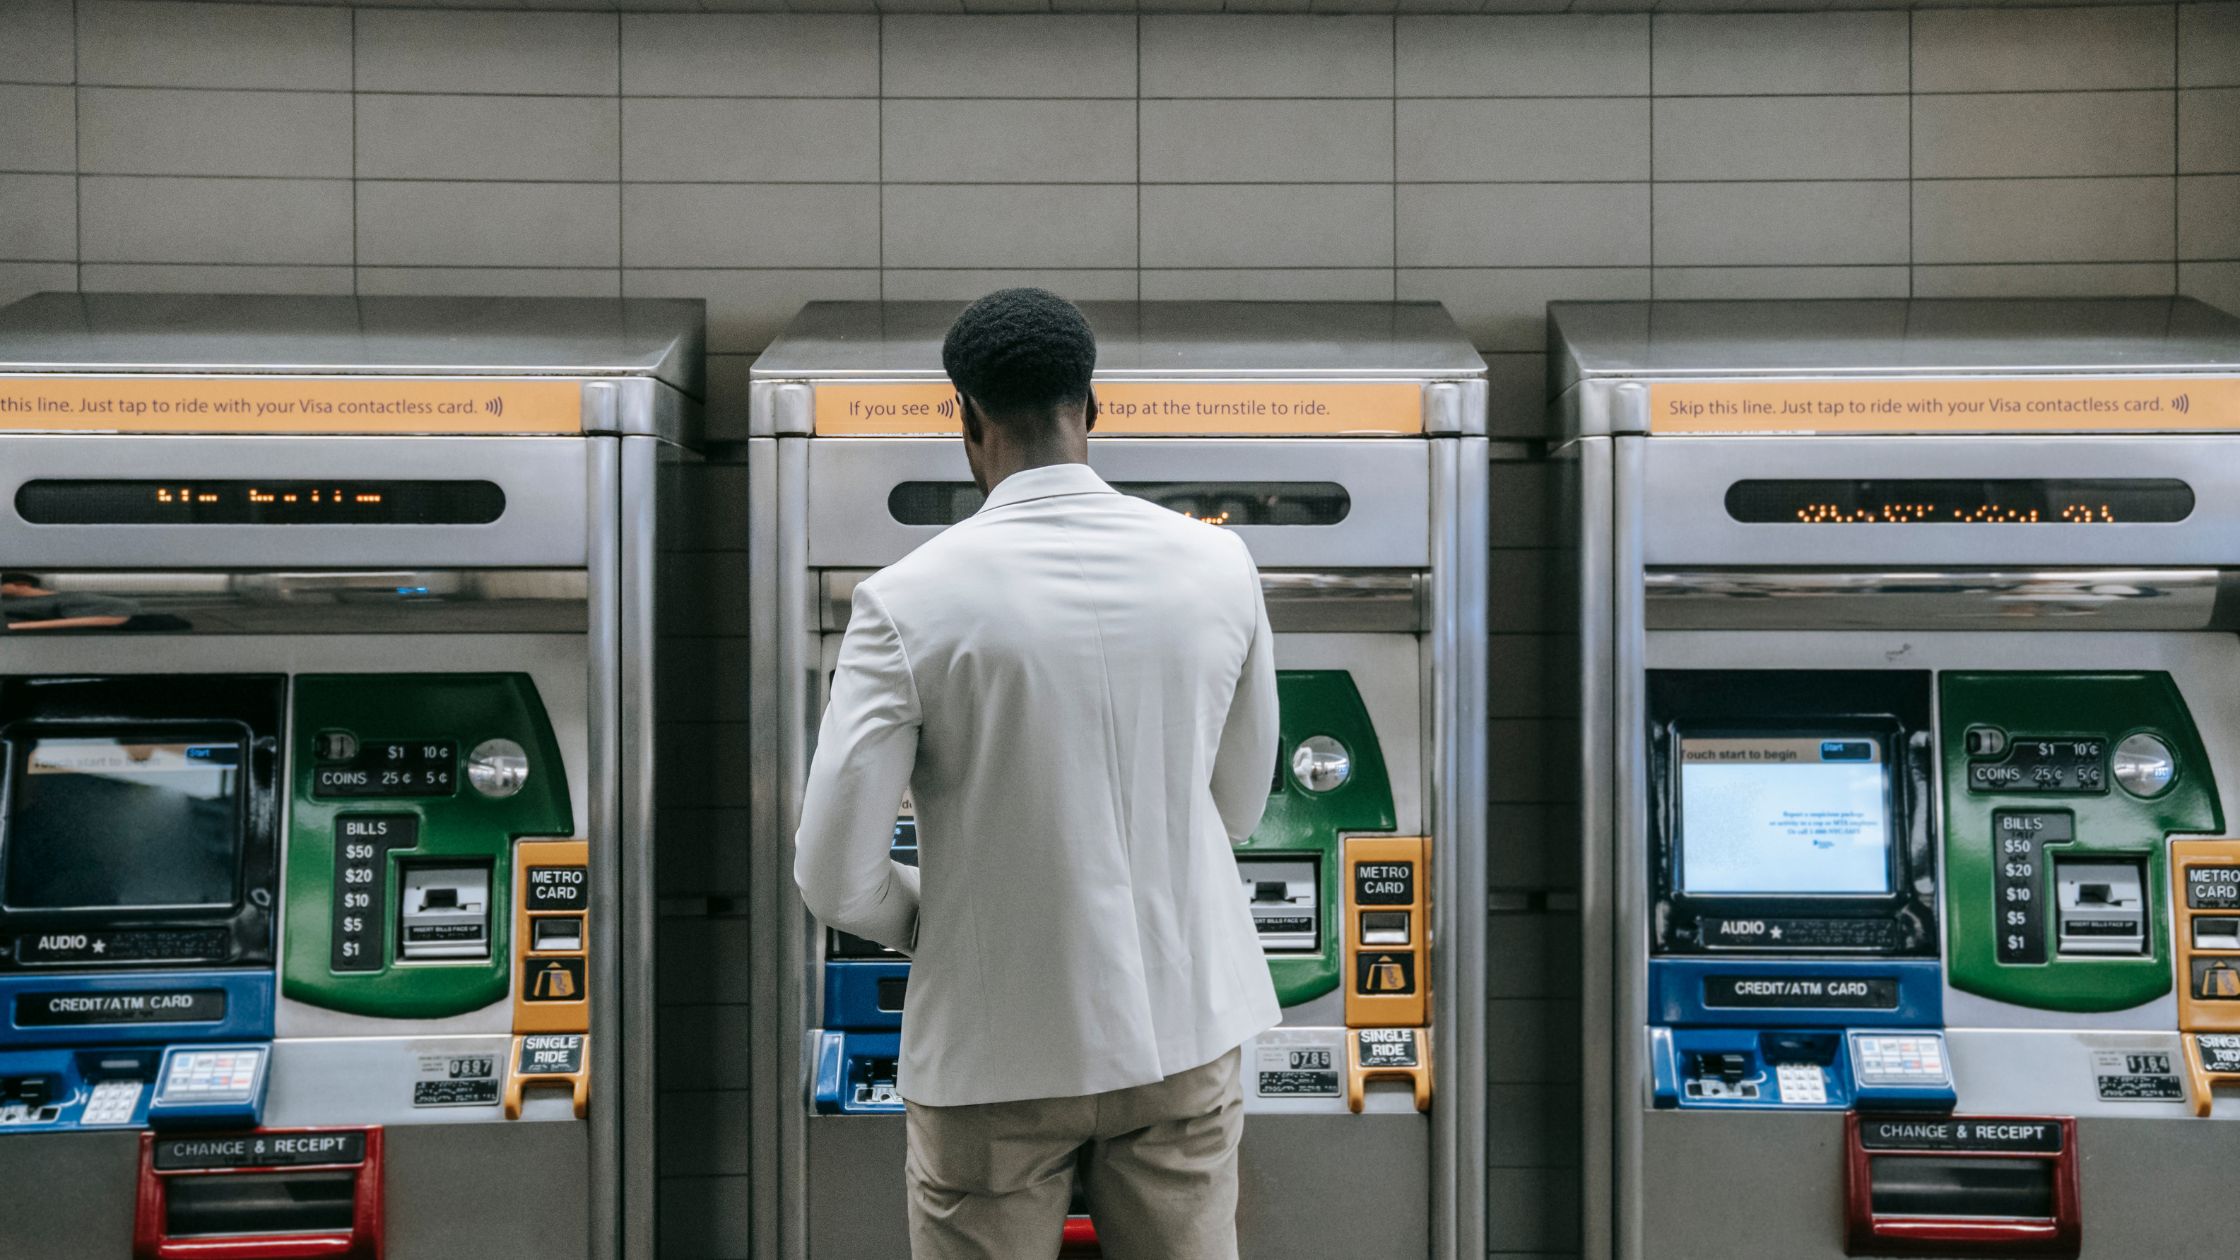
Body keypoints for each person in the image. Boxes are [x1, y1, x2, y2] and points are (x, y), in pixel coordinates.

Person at [794, 288, 1282, 1260]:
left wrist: (940, 920)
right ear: (1090, 407)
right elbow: (1233, 805)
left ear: (964, 422)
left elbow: (832, 873)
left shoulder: (904, 603)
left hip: (991, 1058)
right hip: (1181, 1032)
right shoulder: (1218, 566)